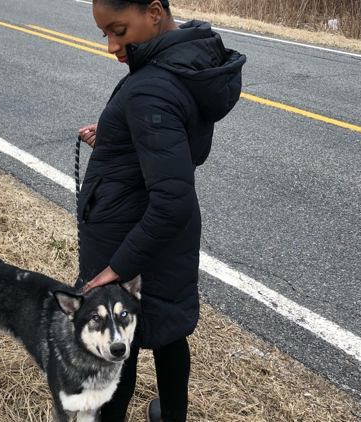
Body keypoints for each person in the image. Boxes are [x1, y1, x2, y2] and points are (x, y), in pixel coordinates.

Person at [76, 0, 246, 421]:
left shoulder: (152, 86)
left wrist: (118, 268)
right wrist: (120, 135)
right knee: (167, 332)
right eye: (106, 35)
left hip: (133, 236)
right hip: (168, 237)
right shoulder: (184, 64)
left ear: (154, 12)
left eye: (119, 30)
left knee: (120, 346)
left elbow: (172, 197)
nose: (113, 45)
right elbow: (178, 143)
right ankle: (171, 415)